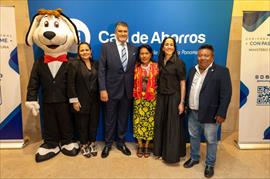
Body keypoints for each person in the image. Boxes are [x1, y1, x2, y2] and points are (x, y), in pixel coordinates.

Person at [183, 44, 232, 178]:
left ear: (212, 57)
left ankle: (210, 164)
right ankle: (194, 157)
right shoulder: (193, 70)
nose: (202, 58)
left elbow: (226, 94)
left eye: (206, 55)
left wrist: (222, 113)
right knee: (193, 136)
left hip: (211, 113)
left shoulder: (222, 71)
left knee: (211, 140)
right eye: (200, 55)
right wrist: (187, 103)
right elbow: (189, 88)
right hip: (193, 111)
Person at [98, 21, 137, 158]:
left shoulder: (134, 48)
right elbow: (101, 69)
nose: (123, 34)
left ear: (128, 33)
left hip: (127, 90)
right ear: (115, 33)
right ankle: (108, 144)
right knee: (109, 118)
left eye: (125, 31)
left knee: (123, 118)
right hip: (110, 90)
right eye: (120, 31)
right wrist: (102, 89)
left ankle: (121, 142)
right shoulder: (106, 47)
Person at [153, 37, 187, 163]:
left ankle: (171, 155)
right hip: (161, 97)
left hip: (174, 97)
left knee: (172, 126)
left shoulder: (179, 62)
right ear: (162, 47)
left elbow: (183, 83)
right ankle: (159, 151)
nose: (168, 46)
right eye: (166, 44)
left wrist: (182, 102)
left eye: (171, 44)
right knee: (160, 124)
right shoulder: (160, 62)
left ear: (174, 47)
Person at [68, 42, 99, 158]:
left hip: (95, 100)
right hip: (80, 100)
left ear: (91, 51)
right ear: (78, 53)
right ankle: (83, 144)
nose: (85, 52)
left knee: (93, 123)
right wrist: (74, 101)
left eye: (87, 50)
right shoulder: (74, 64)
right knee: (82, 124)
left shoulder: (96, 64)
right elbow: (70, 84)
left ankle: (92, 143)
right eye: (82, 50)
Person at [133, 44, 159, 158]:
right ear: (139, 55)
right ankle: (140, 144)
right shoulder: (135, 67)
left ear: (151, 54)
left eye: (146, 53)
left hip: (151, 99)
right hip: (138, 99)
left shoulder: (157, 67)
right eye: (142, 53)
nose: (144, 56)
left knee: (150, 123)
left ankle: (147, 145)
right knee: (138, 122)